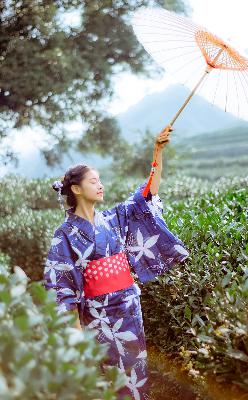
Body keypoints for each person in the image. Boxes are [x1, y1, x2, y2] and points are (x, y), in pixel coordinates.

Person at [43, 124, 190, 400]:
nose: (101, 185)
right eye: (93, 181)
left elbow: (146, 197)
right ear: (75, 188)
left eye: (100, 180)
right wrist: (76, 337)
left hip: (128, 304)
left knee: (137, 370)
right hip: (98, 313)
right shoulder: (64, 235)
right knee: (111, 375)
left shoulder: (113, 218)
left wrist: (157, 152)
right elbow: (63, 290)